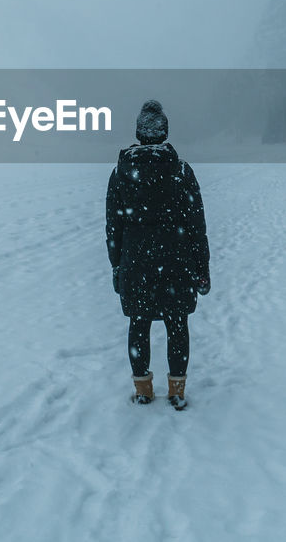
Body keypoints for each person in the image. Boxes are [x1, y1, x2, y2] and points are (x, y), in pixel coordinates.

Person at [105, 99, 210, 409]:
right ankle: (176, 390)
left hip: (136, 264)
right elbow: (196, 225)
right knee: (177, 323)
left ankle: (143, 390)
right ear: (164, 132)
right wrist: (202, 267)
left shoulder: (121, 172)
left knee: (139, 322)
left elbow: (114, 228)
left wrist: (116, 267)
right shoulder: (180, 171)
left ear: (140, 133)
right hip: (177, 262)